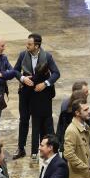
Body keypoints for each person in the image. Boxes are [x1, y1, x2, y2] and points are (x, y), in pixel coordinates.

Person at [12, 32, 60, 160]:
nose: (27, 46)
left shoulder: (47, 57)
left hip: (40, 94)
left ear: (37, 46)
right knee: (24, 120)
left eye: (30, 44)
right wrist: (22, 78)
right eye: (27, 43)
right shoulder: (23, 55)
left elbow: (56, 73)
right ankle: (21, 148)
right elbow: (15, 71)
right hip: (26, 93)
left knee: (40, 121)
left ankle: (41, 149)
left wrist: (45, 83)